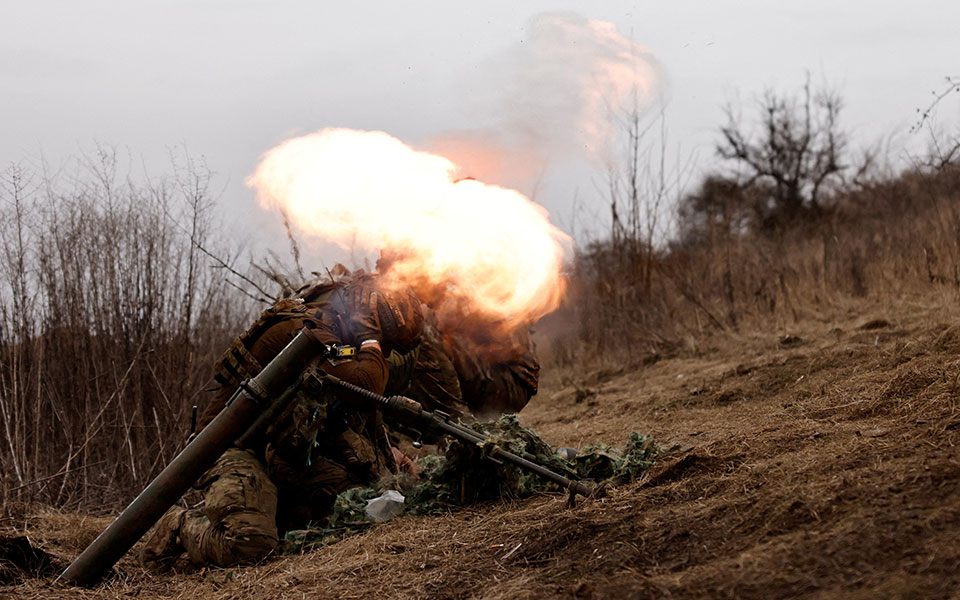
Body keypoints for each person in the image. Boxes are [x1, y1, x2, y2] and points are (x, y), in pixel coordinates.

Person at [140, 274, 424, 569]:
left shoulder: (338, 337)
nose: (384, 352)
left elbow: (353, 410)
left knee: (359, 505)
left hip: (282, 450)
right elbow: (364, 387)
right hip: (228, 448)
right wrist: (370, 338)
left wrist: (387, 451)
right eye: (383, 341)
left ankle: (275, 514)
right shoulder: (306, 330)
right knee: (250, 547)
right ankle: (181, 523)